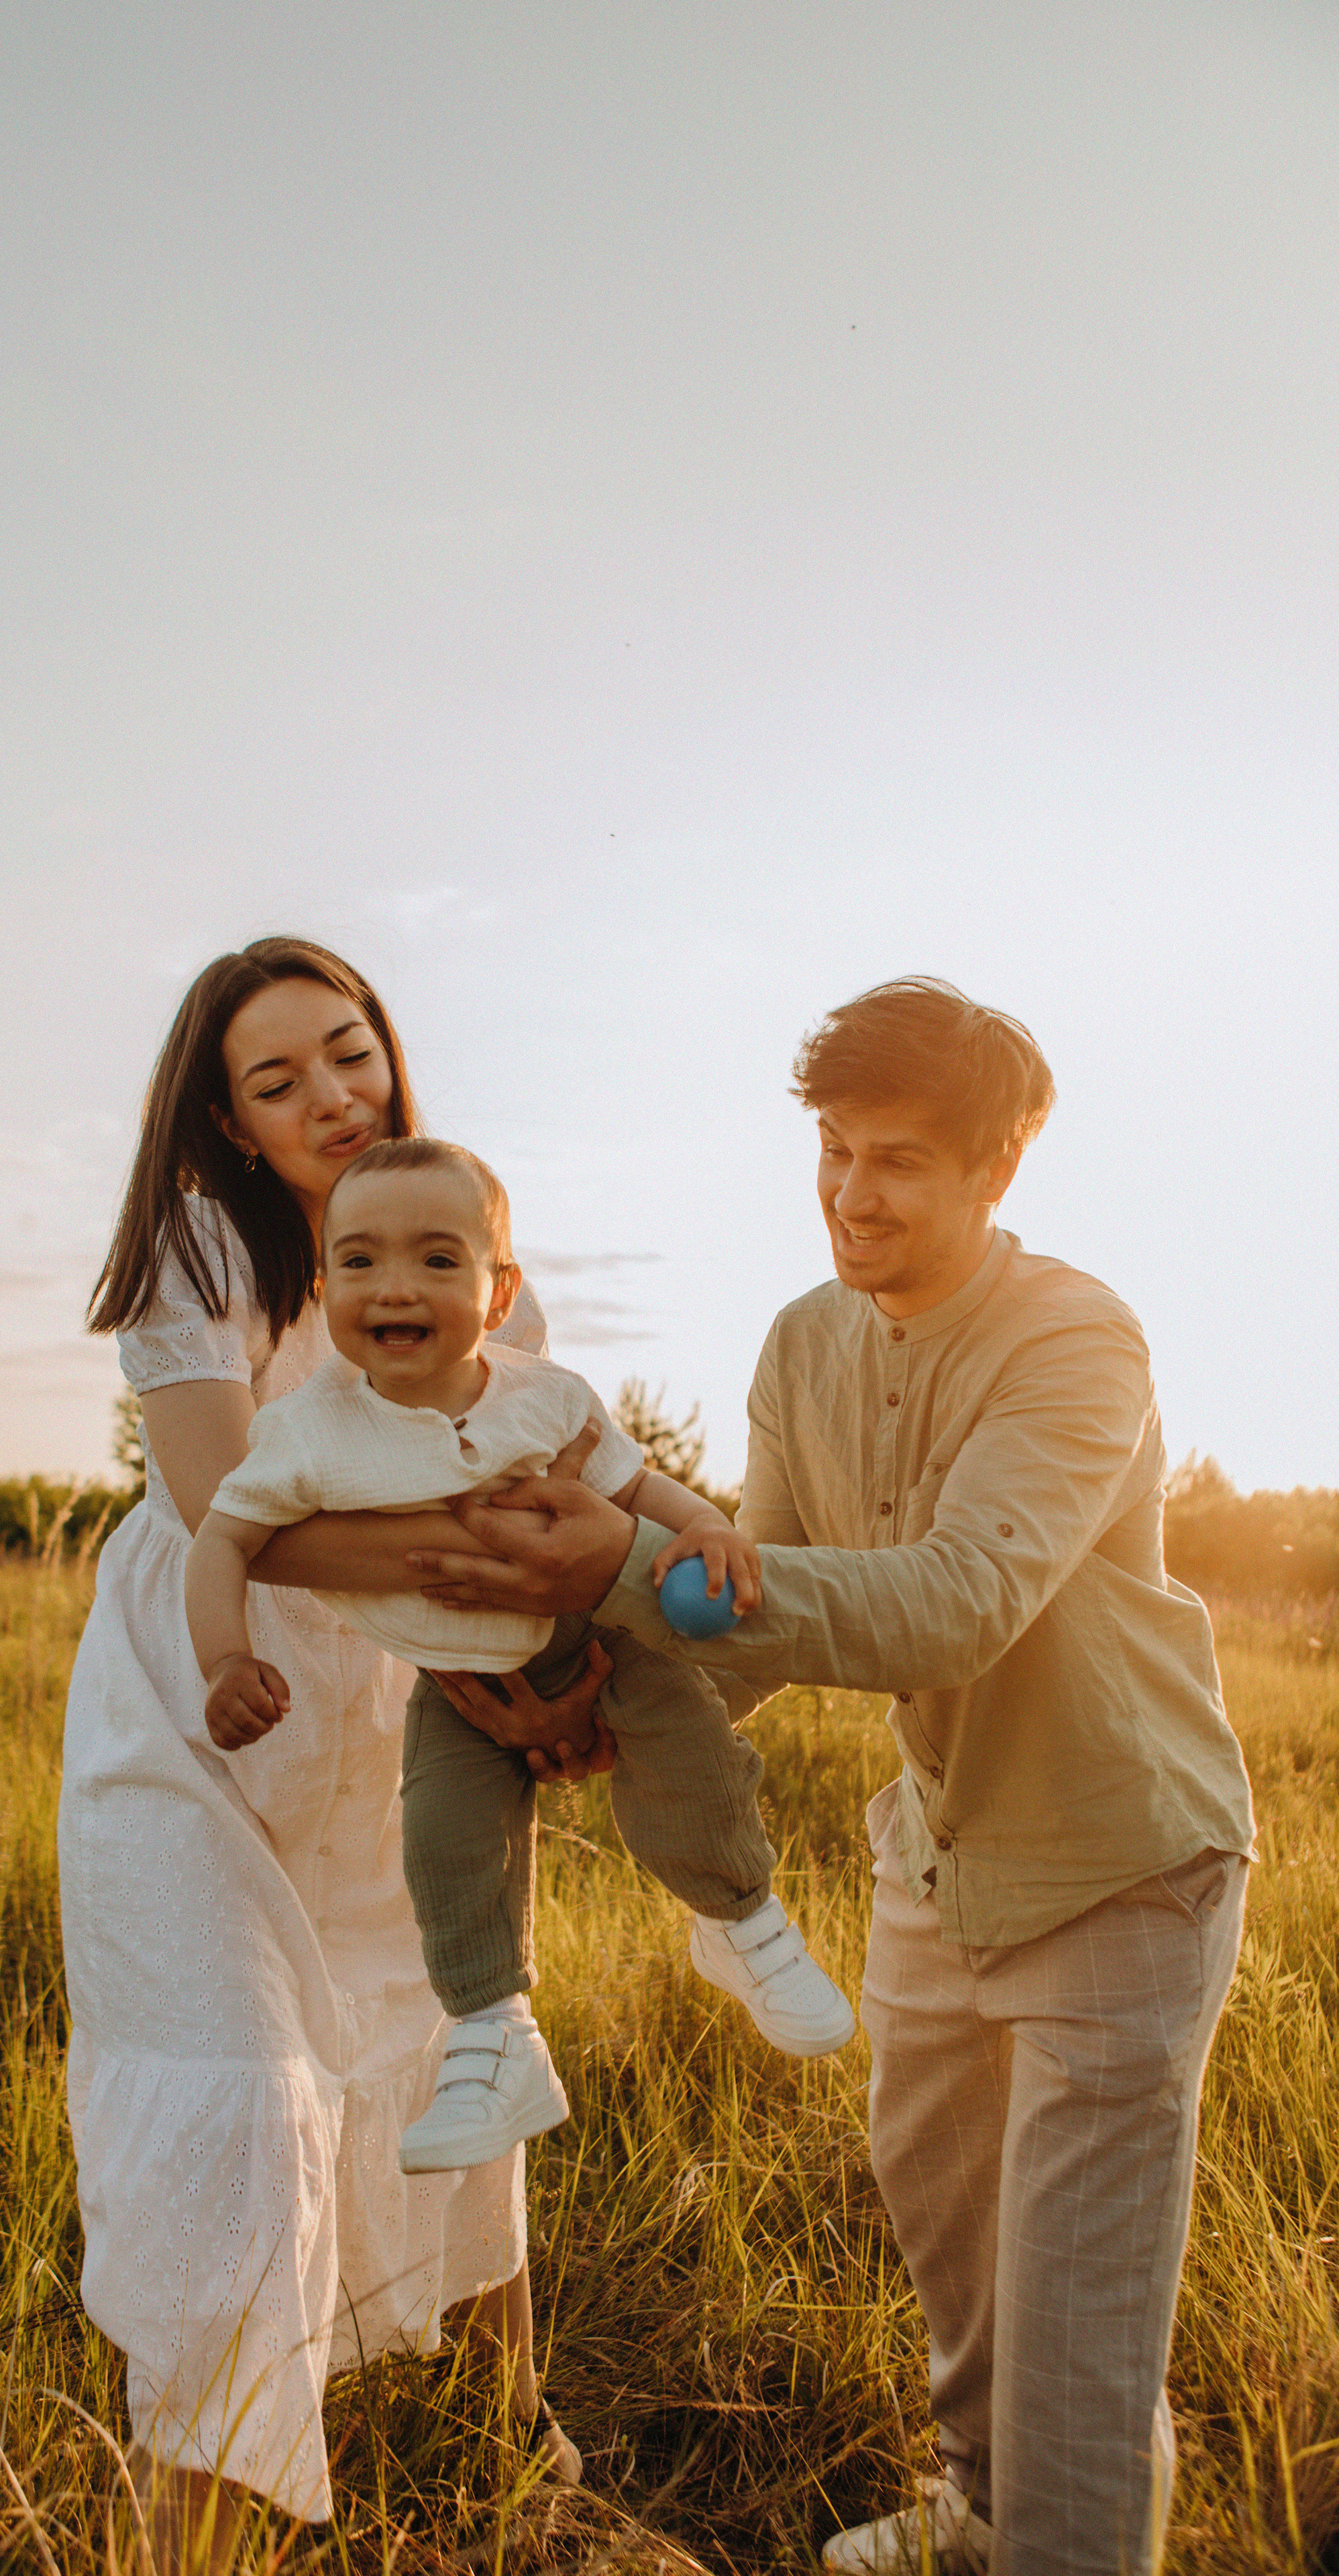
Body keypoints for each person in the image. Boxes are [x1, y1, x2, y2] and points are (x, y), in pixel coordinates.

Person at [403, 979, 1257, 2576]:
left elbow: (953, 1604)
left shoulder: (1076, 1338)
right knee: (951, 2246)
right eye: (832, 1150)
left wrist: (616, 1570)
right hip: (931, 1861)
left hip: (1118, 1866)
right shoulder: (801, 1341)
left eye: (898, 1161)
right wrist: (584, 1701)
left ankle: (1055, 2539)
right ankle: (978, 2514)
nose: (851, 1194)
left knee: (1074, 2327)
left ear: (996, 1167)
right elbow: (757, 1604)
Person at [58, 938, 598, 2563]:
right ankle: (193, 2527)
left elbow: (559, 1489)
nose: (332, 1097)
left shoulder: (468, 1246)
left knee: (446, 2032)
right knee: (237, 2097)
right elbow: (234, 1513)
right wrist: (487, 1554)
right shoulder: (200, 1247)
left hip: (389, 1717)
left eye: (349, 1051)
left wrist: (540, 1670)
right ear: (228, 1123)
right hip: (206, 1712)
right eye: (277, 1080)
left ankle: (510, 2433)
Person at [184, 1134, 855, 2178]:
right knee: (446, 1845)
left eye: (436, 1260)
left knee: (689, 1753)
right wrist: (227, 1659)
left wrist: (710, 1527)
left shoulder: (545, 1396)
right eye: (359, 1260)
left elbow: (635, 1489)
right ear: (323, 1289)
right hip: (456, 1684)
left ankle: (741, 1922)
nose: (394, 1286)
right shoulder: (308, 1431)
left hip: (600, 1636)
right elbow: (223, 1537)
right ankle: (497, 2040)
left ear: (498, 1296)